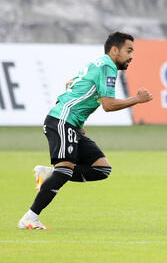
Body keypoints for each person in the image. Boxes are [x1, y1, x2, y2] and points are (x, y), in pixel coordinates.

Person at [18, 31, 153, 230]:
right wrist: (137, 99)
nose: (132, 56)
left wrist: (78, 120)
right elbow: (108, 105)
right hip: (62, 121)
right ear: (114, 50)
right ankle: (30, 218)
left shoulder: (95, 63)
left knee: (101, 169)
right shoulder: (108, 66)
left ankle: (50, 174)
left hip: (69, 122)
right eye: (129, 50)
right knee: (64, 170)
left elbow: (70, 84)